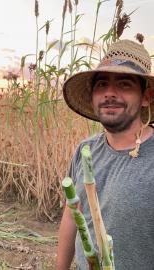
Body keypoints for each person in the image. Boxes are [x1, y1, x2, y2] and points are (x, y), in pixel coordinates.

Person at [56, 39, 154, 270]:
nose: (110, 93)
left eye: (124, 84)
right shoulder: (85, 150)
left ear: (146, 96)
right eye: (101, 84)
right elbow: (72, 215)